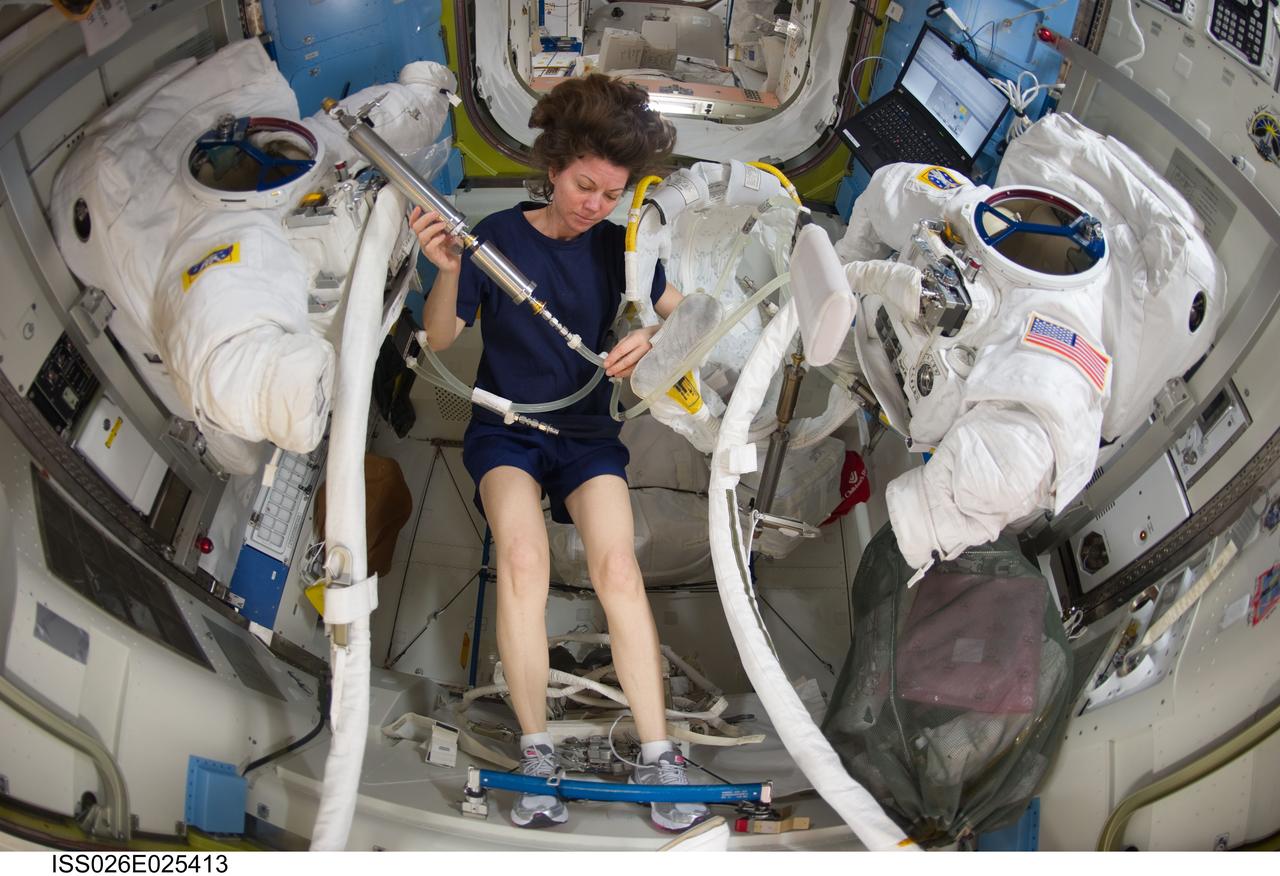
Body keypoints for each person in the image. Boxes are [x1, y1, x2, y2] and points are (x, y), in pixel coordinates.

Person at [411, 74, 707, 832]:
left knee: (618, 570)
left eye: (612, 193)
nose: (596, 205)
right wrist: (448, 272)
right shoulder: (497, 237)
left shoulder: (621, 249)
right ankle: (537, 753)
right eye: (584, 186)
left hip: (584, 434)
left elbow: (699, 320)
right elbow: (440, 338)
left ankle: (659, 754)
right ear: (553, 169)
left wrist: (656, 335)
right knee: (523, 560)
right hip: (507, 428)